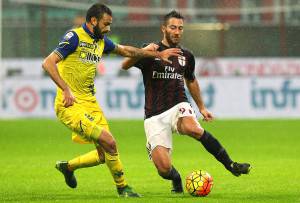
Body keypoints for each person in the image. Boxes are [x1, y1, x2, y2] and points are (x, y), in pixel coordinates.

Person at [42, 3, 181, 197]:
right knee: (110, 142)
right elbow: (48, 63)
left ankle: (68, 167)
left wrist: (157, 54)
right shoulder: (74, 37)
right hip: (70, 105)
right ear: (93, 21)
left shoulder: (101, 41)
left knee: (103, 154)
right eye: (106, 24)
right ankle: (123, 187)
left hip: (90, 103)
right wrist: (65, 89)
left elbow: (127, 51)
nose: (109, 28)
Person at [121, 10, 251, 193]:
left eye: (180, 28)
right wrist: (145, 52)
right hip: (154, 115)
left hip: (178, 104)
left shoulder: (187, 56)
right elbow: (124, 65)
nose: (177, 31)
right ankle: (176, 179)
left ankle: (231, 164)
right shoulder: (151, 50)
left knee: (193, 128)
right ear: (164, 28)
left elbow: (191, 80)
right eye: (173, 27)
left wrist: (202, 108)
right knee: (164, 168)